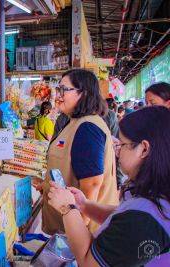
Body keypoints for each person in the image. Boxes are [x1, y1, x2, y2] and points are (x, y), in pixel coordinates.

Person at [47, 106, 170, 266]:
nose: (117, 152)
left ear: (144, 149)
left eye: (123, 145)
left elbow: (89, 263)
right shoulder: (155, 192)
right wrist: (84, 205)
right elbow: (121, 217)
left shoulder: (144, 222)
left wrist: (67, 208)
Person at [40, 69, 118, 235]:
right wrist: (46, 186)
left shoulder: (87, 128)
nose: (58, 95)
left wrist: (79, 231)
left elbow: (92, 185)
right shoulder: (75, 122)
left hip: (81, 235)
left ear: (84, 93)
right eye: (58, 90)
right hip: (69, 230)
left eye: (63, 90)